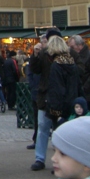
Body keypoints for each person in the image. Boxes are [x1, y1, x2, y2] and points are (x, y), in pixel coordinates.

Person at [30, 28, 58, 171]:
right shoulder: (43, 54)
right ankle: (40, 158)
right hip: (44, 95)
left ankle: (58, 161)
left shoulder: (66, 54)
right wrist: (34, 55)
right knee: (42, 126)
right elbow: (35, 69)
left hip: (59, 96)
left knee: (59, 129)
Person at [45, 35, 80, 129]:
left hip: (60, 108)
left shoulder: (56, 65)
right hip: (73, 104)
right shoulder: (72, 63)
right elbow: (78, 85)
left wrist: (54, 110)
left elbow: (56, 89)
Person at [68, 35, 90, 120]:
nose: (71, 49)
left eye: (72, 47)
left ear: (79, 45)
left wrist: (85, 87)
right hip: (77, 91)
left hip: (88, 92)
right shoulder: (74, 56)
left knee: (87, 114)